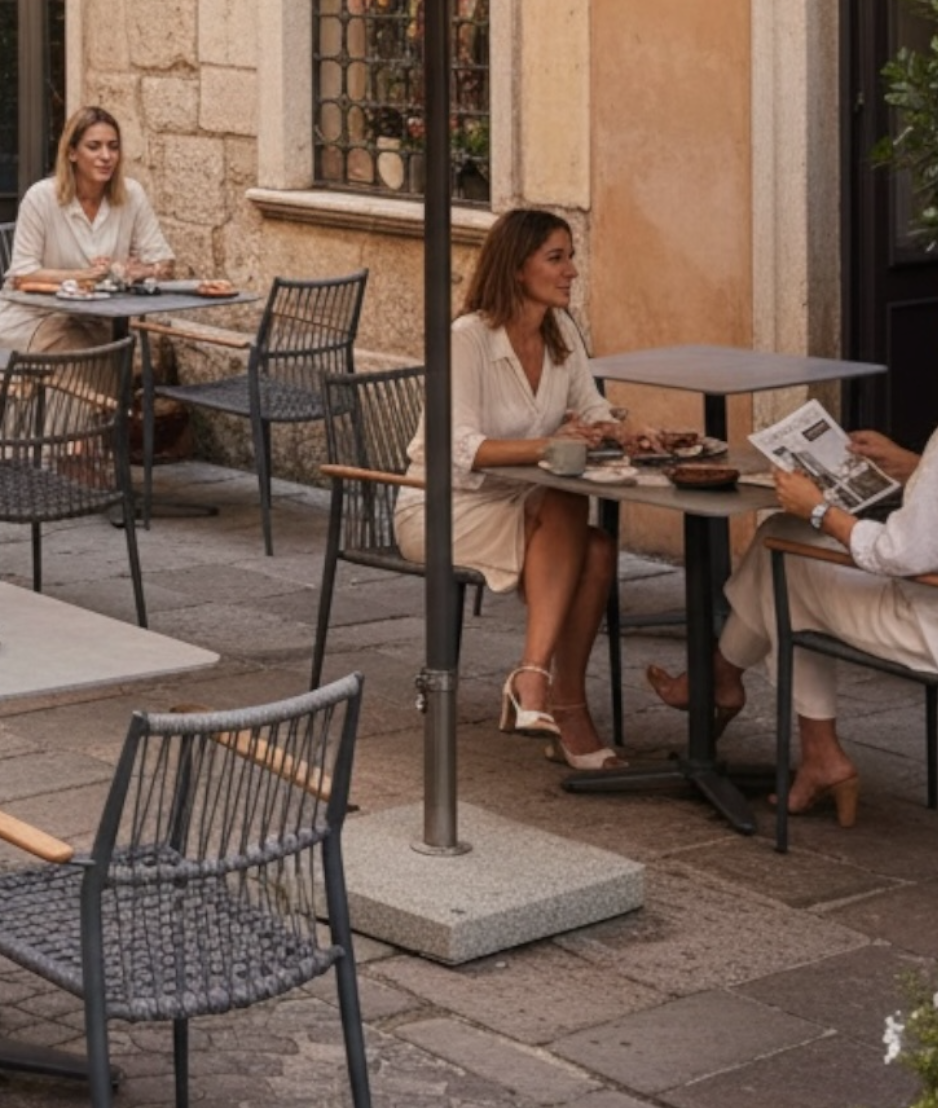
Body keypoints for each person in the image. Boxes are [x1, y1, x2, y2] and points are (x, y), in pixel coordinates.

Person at [392, 208, 631, 770]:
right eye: (557, 257)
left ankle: (553, 697)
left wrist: (614, 428)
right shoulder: (467, 338)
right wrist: (553, 443)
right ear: (517, 268)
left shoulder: (561, 331)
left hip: (521, 501)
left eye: (571, 256)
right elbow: (463, 449)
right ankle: (537, 684)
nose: (572, 270)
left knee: (598, 549)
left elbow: (592, 407)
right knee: (567, 497)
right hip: (445, 507)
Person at [647, 428, 938, 826]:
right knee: (788, 550)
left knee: (782, 548)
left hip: (923, 623)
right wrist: (914, 468)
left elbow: (897, 553)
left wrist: (819, 510)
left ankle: (725, 683)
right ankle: (727, 683)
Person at [0, 105, 175, 352]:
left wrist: (140, 271)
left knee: (115, 352)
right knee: (92, 356)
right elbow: (23, 276)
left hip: (97, 322)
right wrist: (84, 275)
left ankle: (48, 389)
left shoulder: (132, 195)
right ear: (72, 152)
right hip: (34, 319)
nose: (106, 156)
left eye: (113, 146)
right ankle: (77, 390)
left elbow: (166, 265)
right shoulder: (40, 198)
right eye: (94, 146)